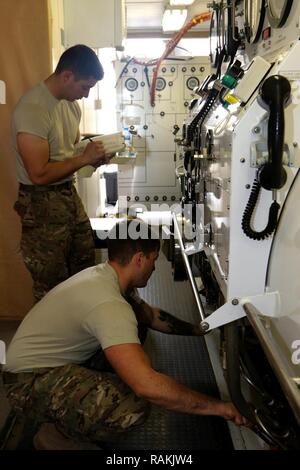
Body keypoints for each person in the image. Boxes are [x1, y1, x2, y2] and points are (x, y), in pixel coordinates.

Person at [2, 220, 247, 450]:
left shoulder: (107, 276)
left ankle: (62, 416)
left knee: (137, 326)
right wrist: (220, 408)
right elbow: (147, 387)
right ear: (140, 259)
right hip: (26, 382)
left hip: (45, 362)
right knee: (130, 405)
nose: (154, 266)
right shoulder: (109, 304)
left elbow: (151, 316)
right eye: (154, 259)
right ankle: (59, 436)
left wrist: (198, 329)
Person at [12, 44, 112, 302]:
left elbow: (70, 155)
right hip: (40, 203)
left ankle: (80, 336)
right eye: (85, 87)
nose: (87, 95)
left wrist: (93, 159)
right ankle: (52, 340)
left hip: (68, 196)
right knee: (51, 284)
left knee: (83, 270)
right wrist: (82, 159)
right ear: (67, 76)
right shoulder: (33, 109)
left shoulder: (71, 106)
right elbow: (39, 174)